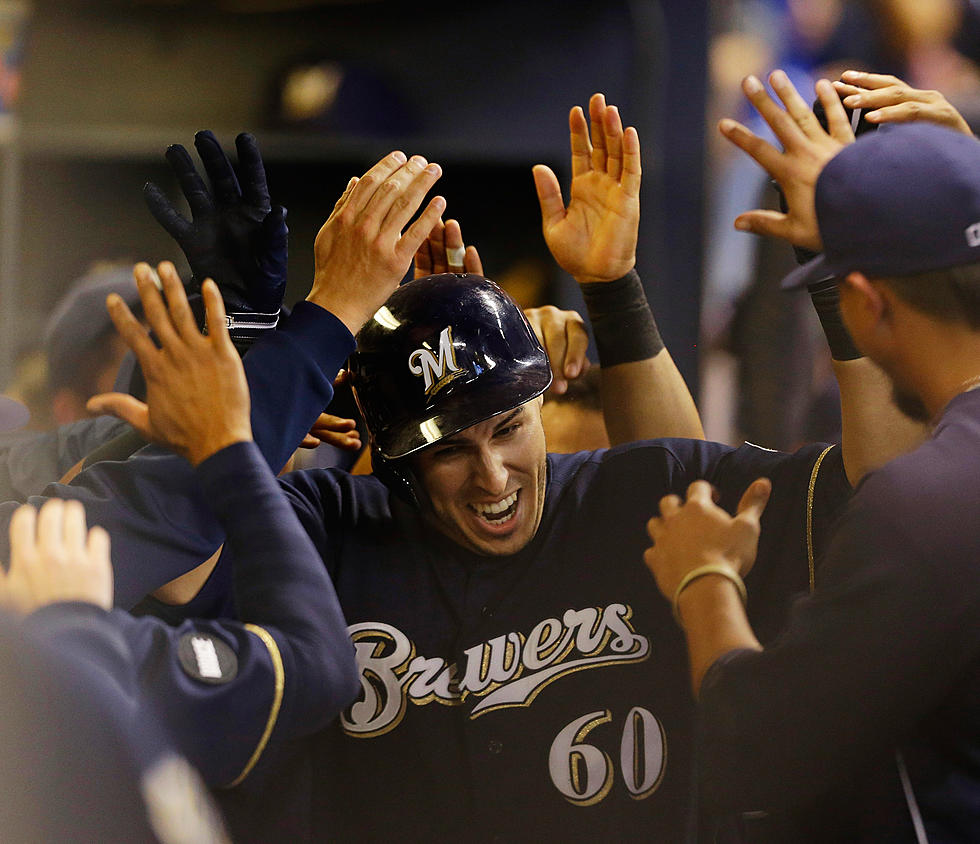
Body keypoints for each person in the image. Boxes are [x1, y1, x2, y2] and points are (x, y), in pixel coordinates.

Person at [71, 94, 901, 842]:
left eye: (508, 427)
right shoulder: (328, 526)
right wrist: (266, 345)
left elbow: (879, 493)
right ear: (390, 460)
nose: (494, 475)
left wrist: (835, 276)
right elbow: (176, 560)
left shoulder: (638, 500)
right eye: (448, 450)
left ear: (545, 403)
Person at [644, 71, 980, 841]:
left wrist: (703, 581)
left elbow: (756, 753)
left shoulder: (925, 506)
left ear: (866, 303)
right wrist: (961, 184)